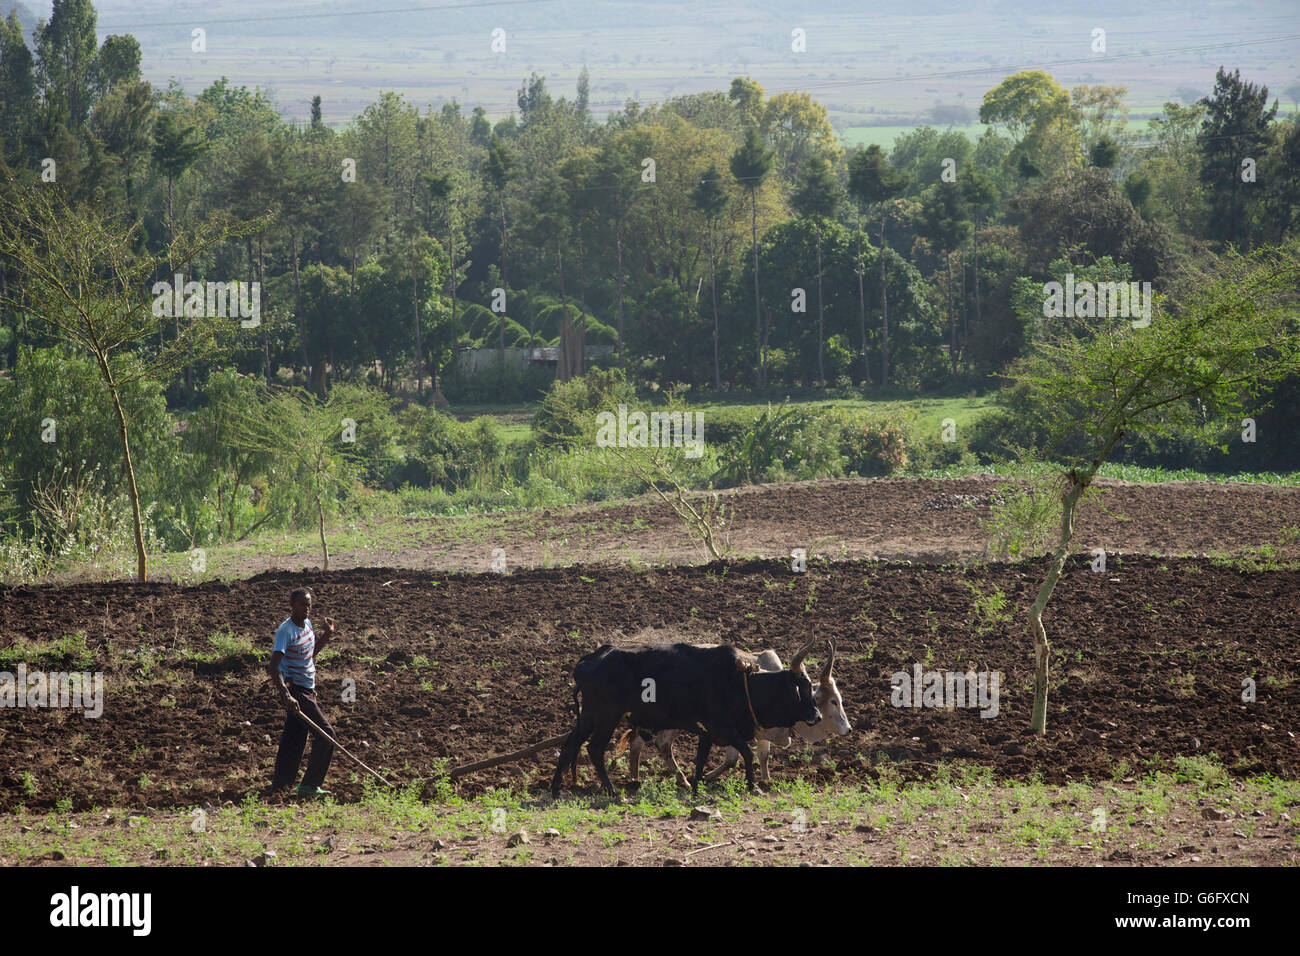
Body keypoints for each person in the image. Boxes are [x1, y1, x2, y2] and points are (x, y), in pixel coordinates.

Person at [268, 586, 336, 798]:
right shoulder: (285, 631)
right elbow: (273, 666)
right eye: (302, 604)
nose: (307, 609)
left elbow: (309, 654)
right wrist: (287, 695)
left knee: (294, 738)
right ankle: (309, 786)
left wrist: (327, 635)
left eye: (309, 605)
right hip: (296, 689)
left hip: (307, 688)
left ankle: (281, 785)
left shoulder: (306, 624)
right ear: (292, 605)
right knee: (326, 736)